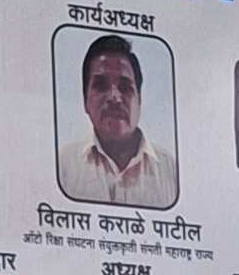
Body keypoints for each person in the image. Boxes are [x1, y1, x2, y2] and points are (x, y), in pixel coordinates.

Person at [57, 34, 178, 208]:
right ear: (85, 100)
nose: (114, 97)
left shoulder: (171, 171)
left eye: (124, 87)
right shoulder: (64, 167)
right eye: (101, 85)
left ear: (139, 100)